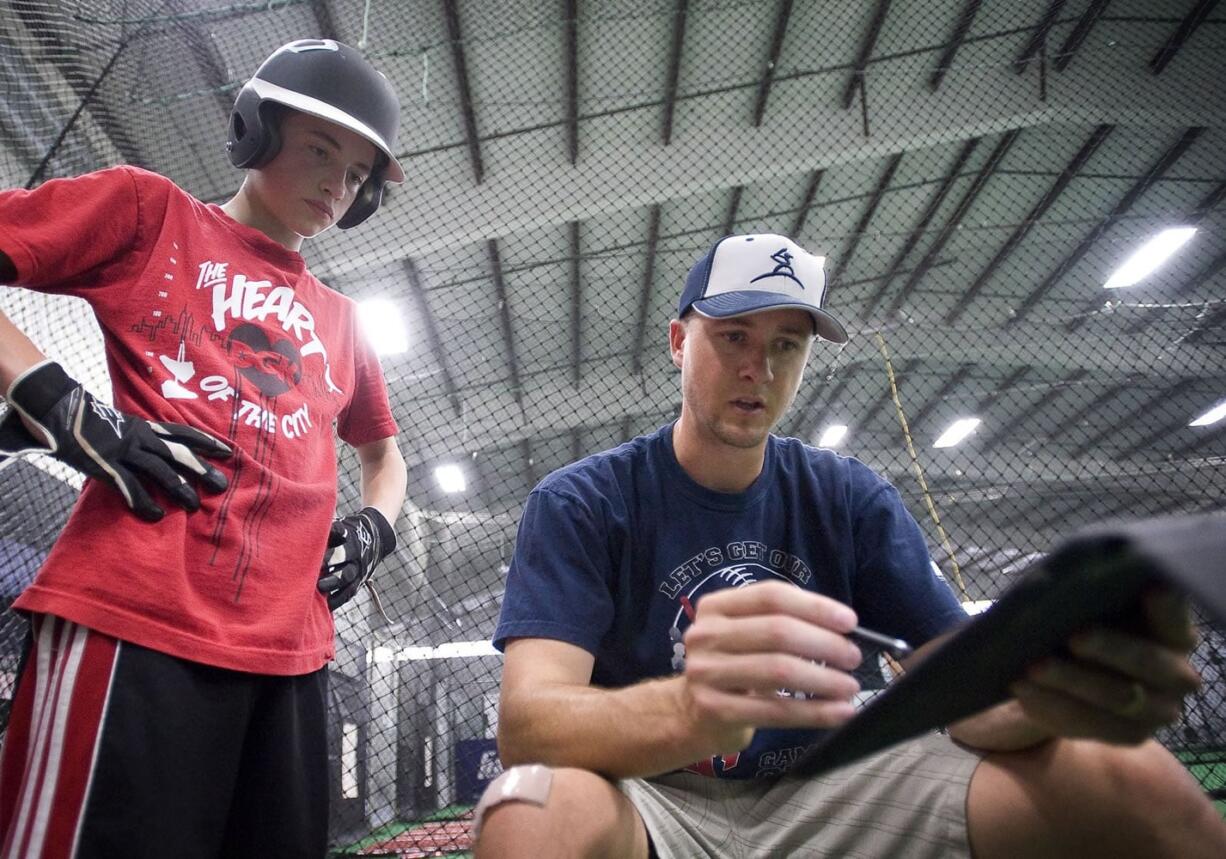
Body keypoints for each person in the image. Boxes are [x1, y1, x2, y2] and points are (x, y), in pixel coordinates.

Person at [474, 233, 1226, 858]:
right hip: (653, 794)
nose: (758, 368)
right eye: (733, 336)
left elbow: (966, 704)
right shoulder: (583, 500)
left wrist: (1050, 686)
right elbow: (528, 724)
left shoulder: (848, 495)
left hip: (831, 781)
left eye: (786, 345)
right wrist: (692, 710)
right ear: (679, 341)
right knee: (529, 812)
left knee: (1132, 778)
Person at [0, 39, 408, 857]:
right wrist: (58, 403)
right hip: (135, 615)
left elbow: (385, 456)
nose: (338, 182)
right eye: (320, 150)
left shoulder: (343, 319)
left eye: (358, 174)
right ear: (258, 132)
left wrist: (375, 529)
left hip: (290, 649)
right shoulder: (152, 215)